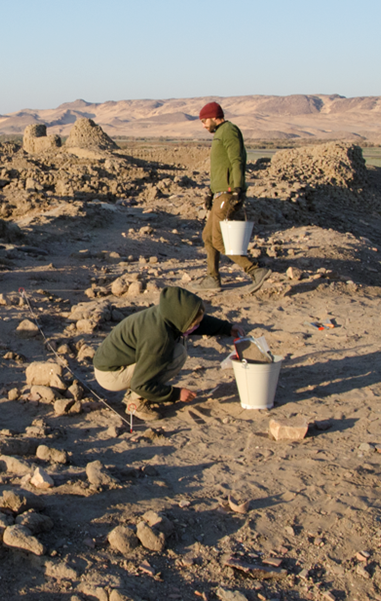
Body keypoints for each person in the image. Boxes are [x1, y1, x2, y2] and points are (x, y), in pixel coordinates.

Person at [92, 286, 242, 421]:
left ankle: (138, 394)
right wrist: (176, 394)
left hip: (119, 363)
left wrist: (227, 328)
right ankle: (137, 402)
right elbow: (141, 383)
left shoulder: (166, 313)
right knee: (176, 354)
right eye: (194, 324)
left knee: (177, 346)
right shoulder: (158, 338)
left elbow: (199, 322)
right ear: (181, 319)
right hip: (110, 374)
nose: (196, 327)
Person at [196, 101, 270, 294]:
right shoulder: (219, 134)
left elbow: (236, 160)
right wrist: (211, 192)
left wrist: (237, 188)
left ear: (214, 117)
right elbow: (221, 167)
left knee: (218, 240)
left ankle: (255, 271)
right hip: (220, 193)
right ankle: (212, 278)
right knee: (207, 237)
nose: (203, 125)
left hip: (228, 193)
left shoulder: (228, 131)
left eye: (205, 121)